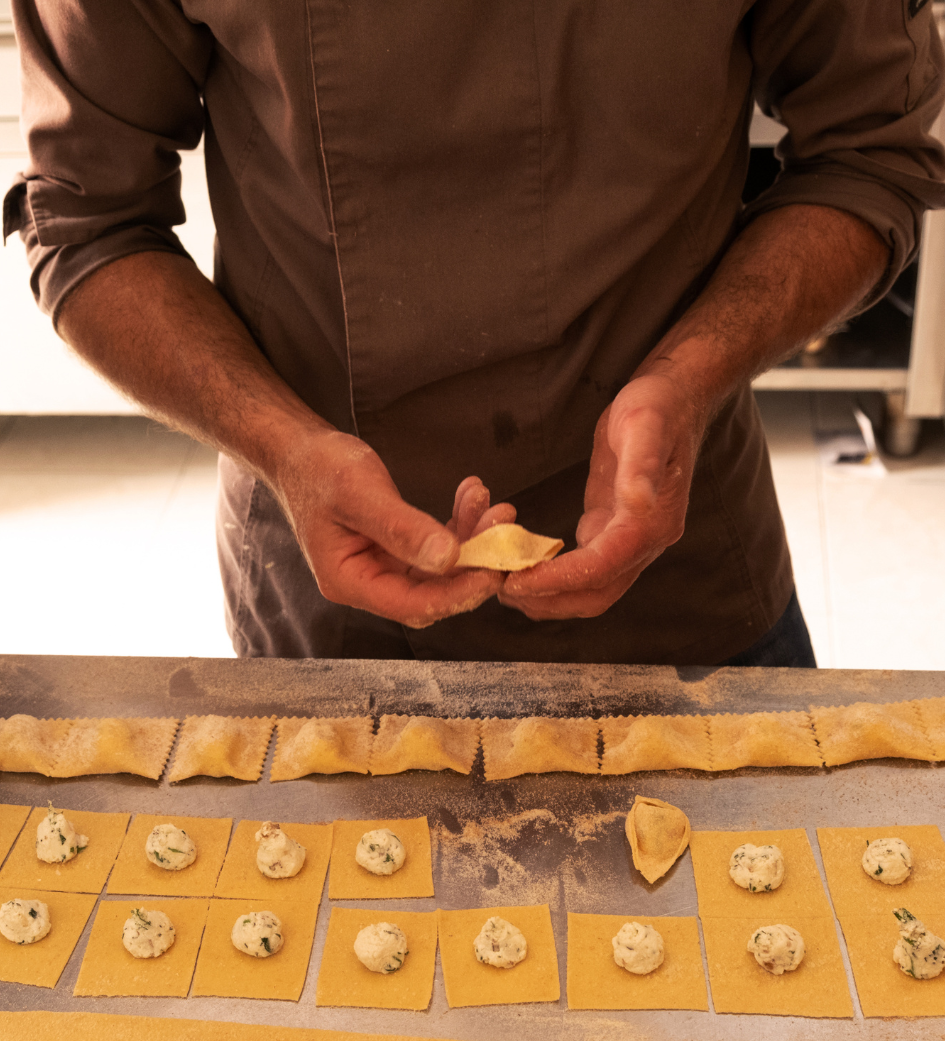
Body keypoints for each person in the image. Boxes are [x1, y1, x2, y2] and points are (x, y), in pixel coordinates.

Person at [6, 1, 945, 666]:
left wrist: (689, 378)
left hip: (681, 579)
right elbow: (90, 222)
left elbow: (869, 150)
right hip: (330, 610)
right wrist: (285, 450)